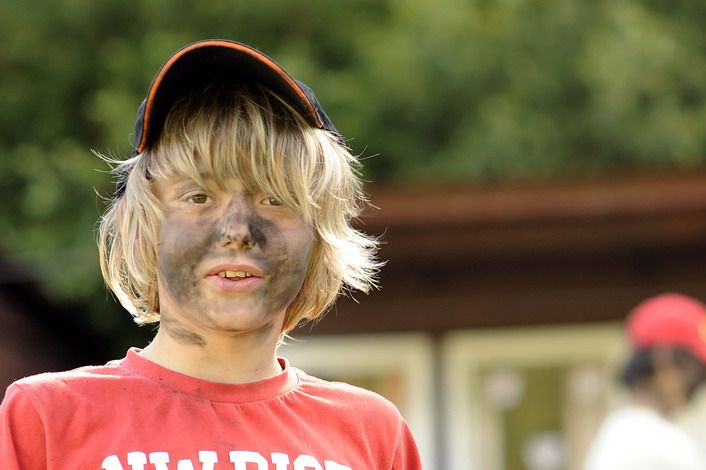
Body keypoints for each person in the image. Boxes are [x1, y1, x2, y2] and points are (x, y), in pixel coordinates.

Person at [0, 39, 421, 469]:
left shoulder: (373, 434)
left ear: (319, 237)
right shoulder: (46, 418)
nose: (237, 232)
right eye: (198, 197)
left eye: (274, 199)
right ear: (139, 227)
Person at [584, 292, 706, 470]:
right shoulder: (658, 444)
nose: (697, 387)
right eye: (697, 372)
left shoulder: (623, 432)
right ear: (664, 361)